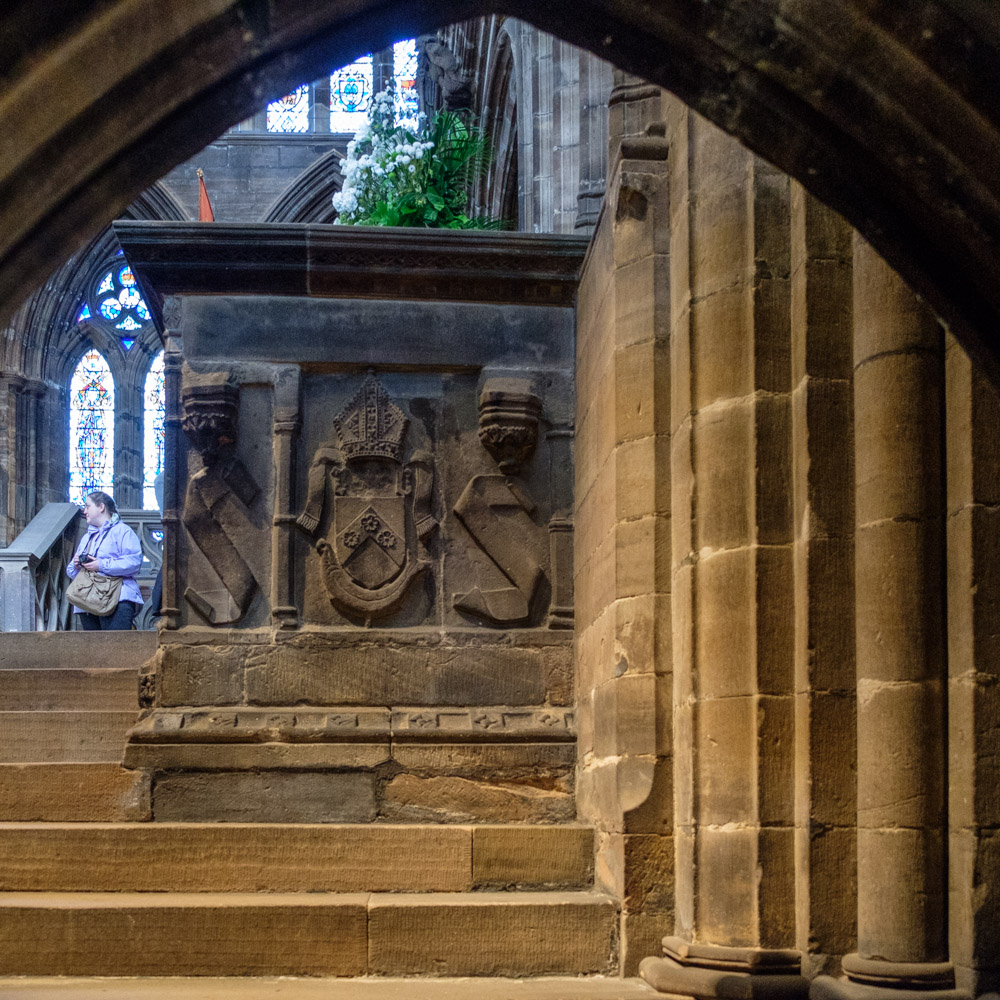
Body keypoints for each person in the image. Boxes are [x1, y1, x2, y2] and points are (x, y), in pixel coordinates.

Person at [66, 491, 144, 630]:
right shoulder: (87, 537)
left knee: (116, 643)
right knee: (92, 644)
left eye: (87, 506)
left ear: (101, 507)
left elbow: (134, 562)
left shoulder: (122, 531)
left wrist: (101, 565)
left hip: (118, 598)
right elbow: (71, 572)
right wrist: (77, 565)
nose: (84, 511)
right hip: (87, 601)